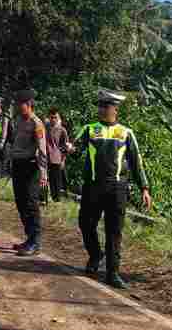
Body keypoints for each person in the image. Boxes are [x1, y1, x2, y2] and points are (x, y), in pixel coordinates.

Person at [72, 90, 152, 288]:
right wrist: (69, 149)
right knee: (86, 224)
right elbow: (75, 150)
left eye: (106, 107)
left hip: (117, 188)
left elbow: (136, 162)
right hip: (93, 186)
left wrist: (144, 188)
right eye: (100, 106)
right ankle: (95, 255)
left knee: (114, 231)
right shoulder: (89, 129)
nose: (102, 110)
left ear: (115, 110)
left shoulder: (126, 133)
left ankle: (113, 273)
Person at [7, 89, 48, 256]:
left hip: (30, 167)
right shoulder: (18, 120)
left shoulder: (36, 124)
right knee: (20, 203)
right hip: (18, 165)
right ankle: (29, 238)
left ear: (29, 104)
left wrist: (44, 174)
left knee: (31, 204)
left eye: (21, 104)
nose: (18, 106)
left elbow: (42, 150)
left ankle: (35, 242)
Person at [45, 109, 71, 202]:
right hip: (45, 157)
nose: (53, 119)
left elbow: (66, 146)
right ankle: (44, 198)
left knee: (56, 180)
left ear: (58, 118)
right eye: (51, 117)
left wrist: (63, 160)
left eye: (55, 117)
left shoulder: (62, 130)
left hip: (56, 158)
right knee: (44, 179)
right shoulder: (45, 127)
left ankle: (56, 198)